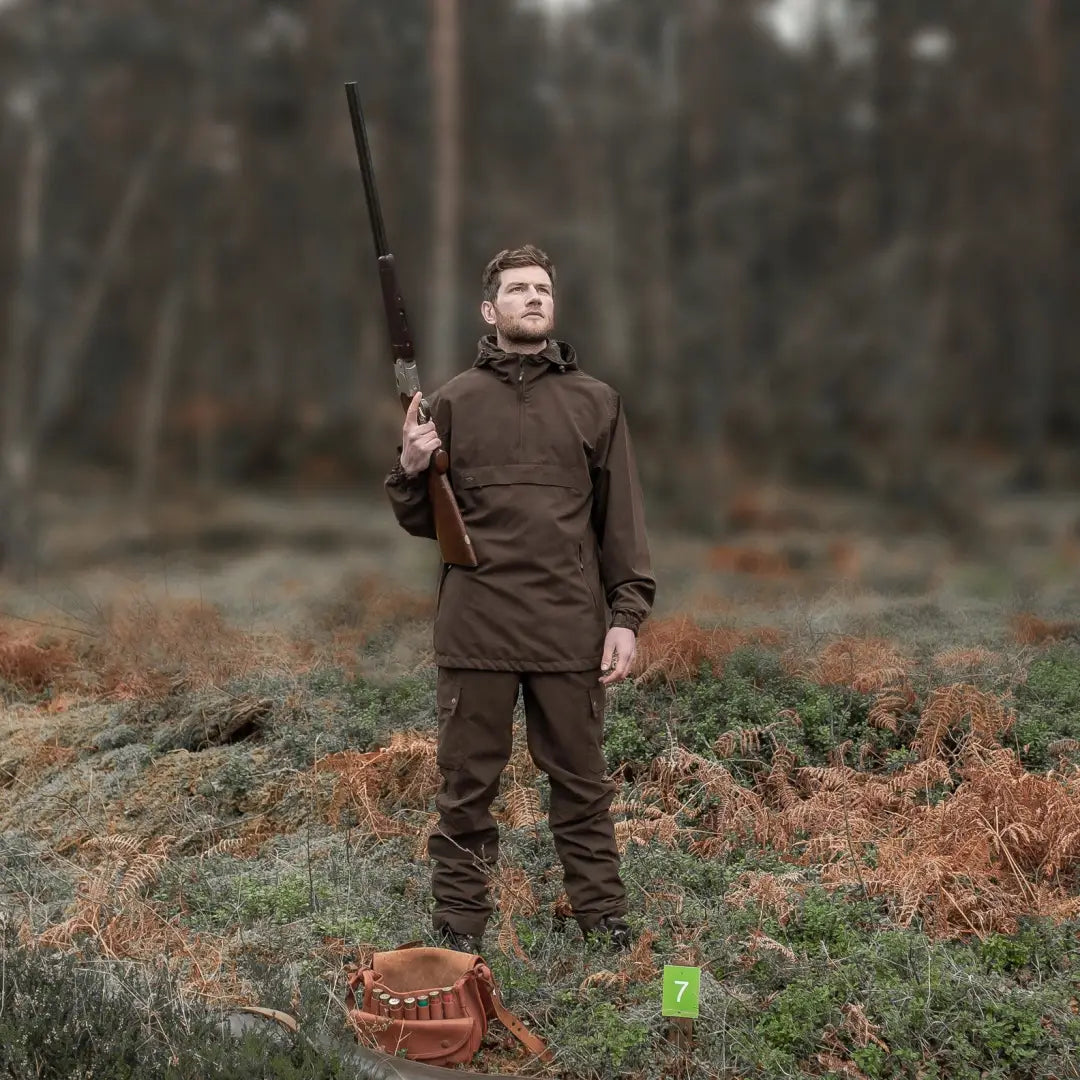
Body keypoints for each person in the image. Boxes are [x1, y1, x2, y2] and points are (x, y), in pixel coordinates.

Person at [385, 244, 655, 952]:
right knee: (465, 792)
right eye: (516, 290)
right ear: (489, 309)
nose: (532, 298)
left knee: (583, 787)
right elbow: (423, 521)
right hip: (476, 629)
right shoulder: (449, 401)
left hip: (569, 626)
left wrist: (625, 616)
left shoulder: (596, 402)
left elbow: (619, 520)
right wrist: (411, 468)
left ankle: (605, 926)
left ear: (553, 307)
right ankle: (458, 934)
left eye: (542, 290)